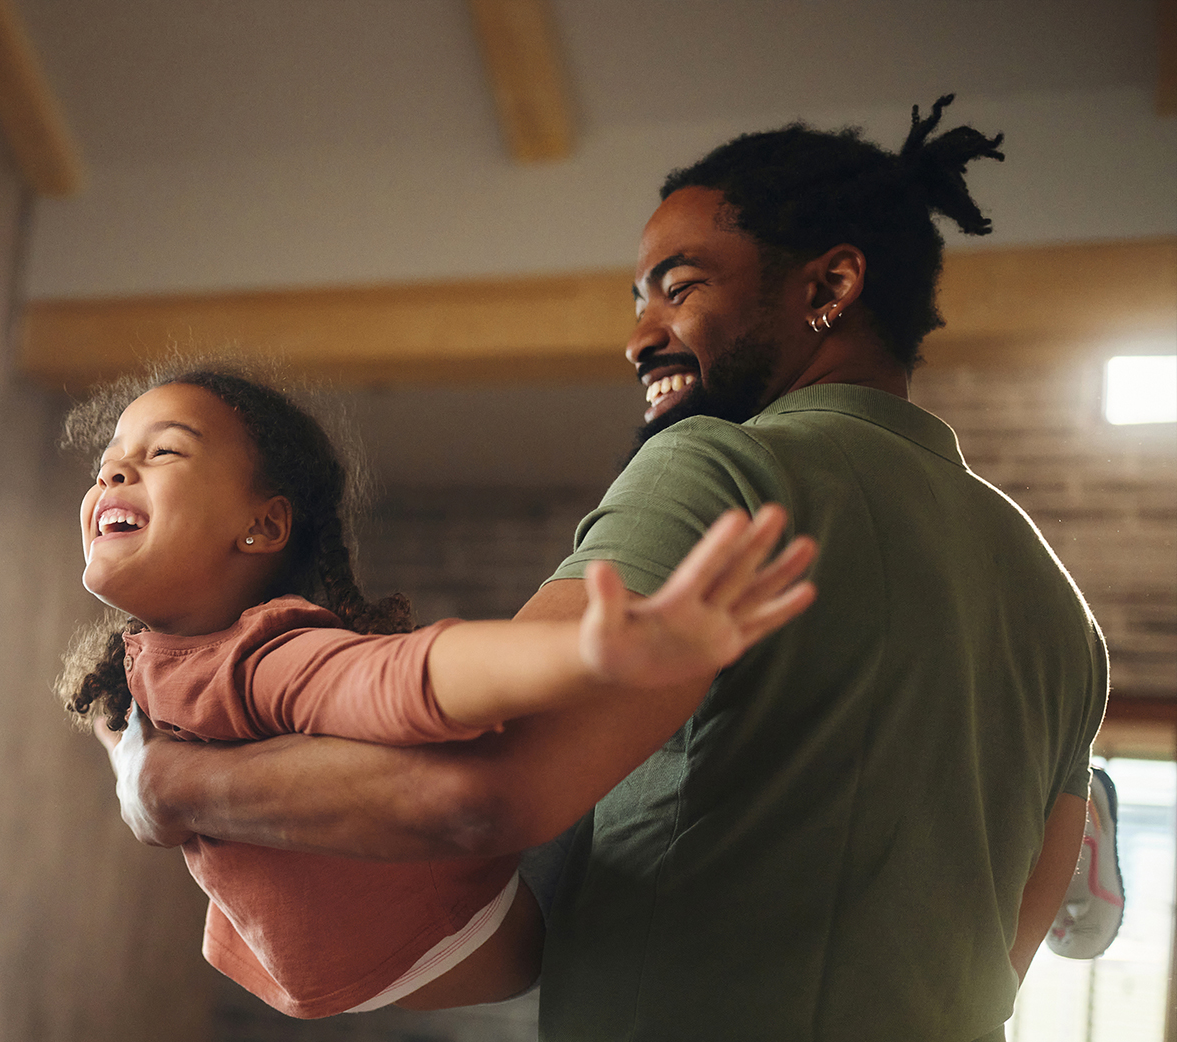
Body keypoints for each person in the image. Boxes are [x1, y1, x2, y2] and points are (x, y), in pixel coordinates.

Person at [99, 97, 1108, 1040]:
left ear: (828, 288)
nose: (639, 335)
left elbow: (475, 794)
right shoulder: (1059, 611)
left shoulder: (727, 466)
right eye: (639, 297)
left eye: (681, 286)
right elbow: (1005, 954)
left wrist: (169, 785)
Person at [57, 364, 815, 1018]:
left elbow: (405, 678)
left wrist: (583, 651)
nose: (114, 474)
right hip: (407, 943)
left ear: (263, 526)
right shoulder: (166, 671)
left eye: (161, 453)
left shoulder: (258, 656)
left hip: (415, 946)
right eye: (108, 464)